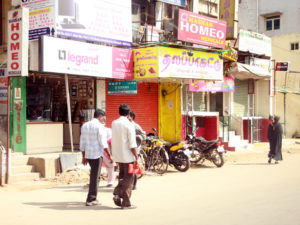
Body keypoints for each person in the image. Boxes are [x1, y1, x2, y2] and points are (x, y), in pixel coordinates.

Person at [111, 104, 138, 209]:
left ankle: (118, 194)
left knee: (122, 176)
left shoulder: (114, 123)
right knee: (129, 179)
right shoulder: (129, 124)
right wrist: (136, 156)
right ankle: (126, 203)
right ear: (128, 113)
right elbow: (132, 143)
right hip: (128, 156)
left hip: (118, 156)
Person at [80, 109, 108, 206]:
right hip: (96, 154)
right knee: (95, 177)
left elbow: (82, 142)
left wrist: (83, 156)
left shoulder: (85, 125)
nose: (104, 119)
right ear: (100, 116)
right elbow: (103, 142)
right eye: (104, 117)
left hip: (88, 154)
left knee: (94, 175)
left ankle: (92, 197)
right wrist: (109, 155)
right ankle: (91, 199)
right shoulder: (99, 126)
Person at [128, 111, 146, 190]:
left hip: (135, 149)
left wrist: (136, 136)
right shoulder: (126, 125)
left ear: (131, 117)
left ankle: (134, 185)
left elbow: (143, 135)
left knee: (134, 167)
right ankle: (128, 184)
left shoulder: (136, 126)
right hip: (127, 149)